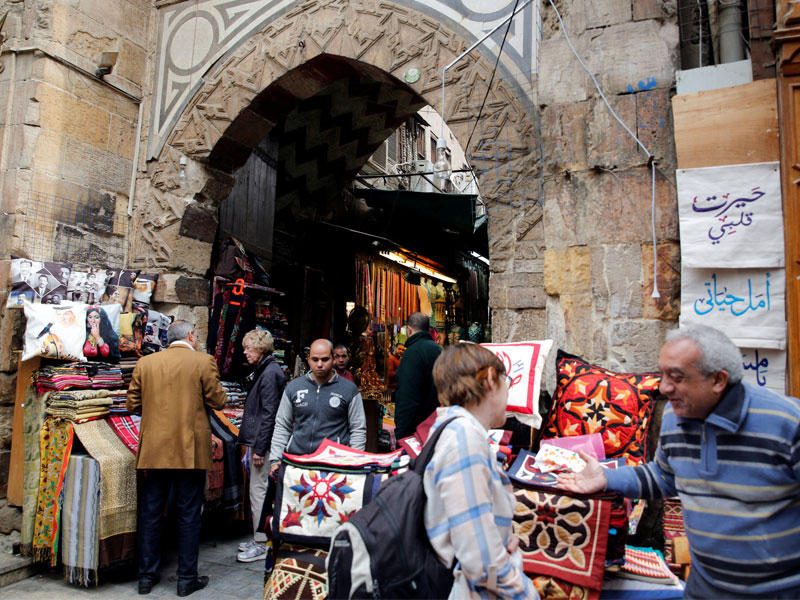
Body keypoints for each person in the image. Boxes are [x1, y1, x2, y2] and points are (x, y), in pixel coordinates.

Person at [558, 324, 800, 599]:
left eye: (677, 377)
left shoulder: (787, 424)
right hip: (704, 590)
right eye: (662, 375)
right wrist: (605, 478)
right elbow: (664, 477)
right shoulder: (676, 419)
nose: (664, 388)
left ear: (718, 381)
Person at [424, 343, 537, 599]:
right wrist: (524, 591)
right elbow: (481, 562)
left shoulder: (453, 429)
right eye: (506, 381)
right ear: (489, 380)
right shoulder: (464, 438)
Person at [126, 320, 227, 597]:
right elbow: (218, 401)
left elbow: (132, 404)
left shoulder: (146, 364)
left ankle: (146, 578)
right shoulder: (203, 362)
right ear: (192, 336)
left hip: (155, 450)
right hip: (188, 450)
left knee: (151, 513)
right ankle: (185, 580)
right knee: (188, 514)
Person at [269, 339, 366, 472]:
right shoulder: (294, 388)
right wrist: (275, 459)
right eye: (315, 359)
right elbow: (282, 425)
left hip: (334, 465)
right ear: (308, 359)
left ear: (333, 359)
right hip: (297, 463)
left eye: (325, 359)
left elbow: (358, 429)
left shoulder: (349, 390)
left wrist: (354, 463)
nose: (319, 364)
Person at [236, 328, 286, 563]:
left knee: (259, 491)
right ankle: (258, 537)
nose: (245, 352)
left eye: (249, 347)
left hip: (263, 443)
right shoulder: (266, 370)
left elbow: (269, 413)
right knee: (258, 490)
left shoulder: (269, 373)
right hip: (261, 441)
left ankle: (260, 542)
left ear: (261, 348)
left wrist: (259, 447)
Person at [393, 312, 443, 438]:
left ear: (409, 330)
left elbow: (407, 398)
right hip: (437, 427)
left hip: (417, 432)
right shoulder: (439, 351)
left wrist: (402, 435)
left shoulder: (412, 354)